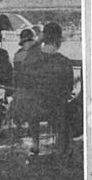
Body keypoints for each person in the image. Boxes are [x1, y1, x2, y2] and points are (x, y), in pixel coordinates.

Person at [10, 22, 75, 156]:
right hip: (55, 108)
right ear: (59, 41)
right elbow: (68, 90)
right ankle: (63, 147)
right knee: (68, 106)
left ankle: (35, 144)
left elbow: (22, 83)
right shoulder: (64, 62)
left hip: (31, 108)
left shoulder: (29, 59)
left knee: (34, 102)